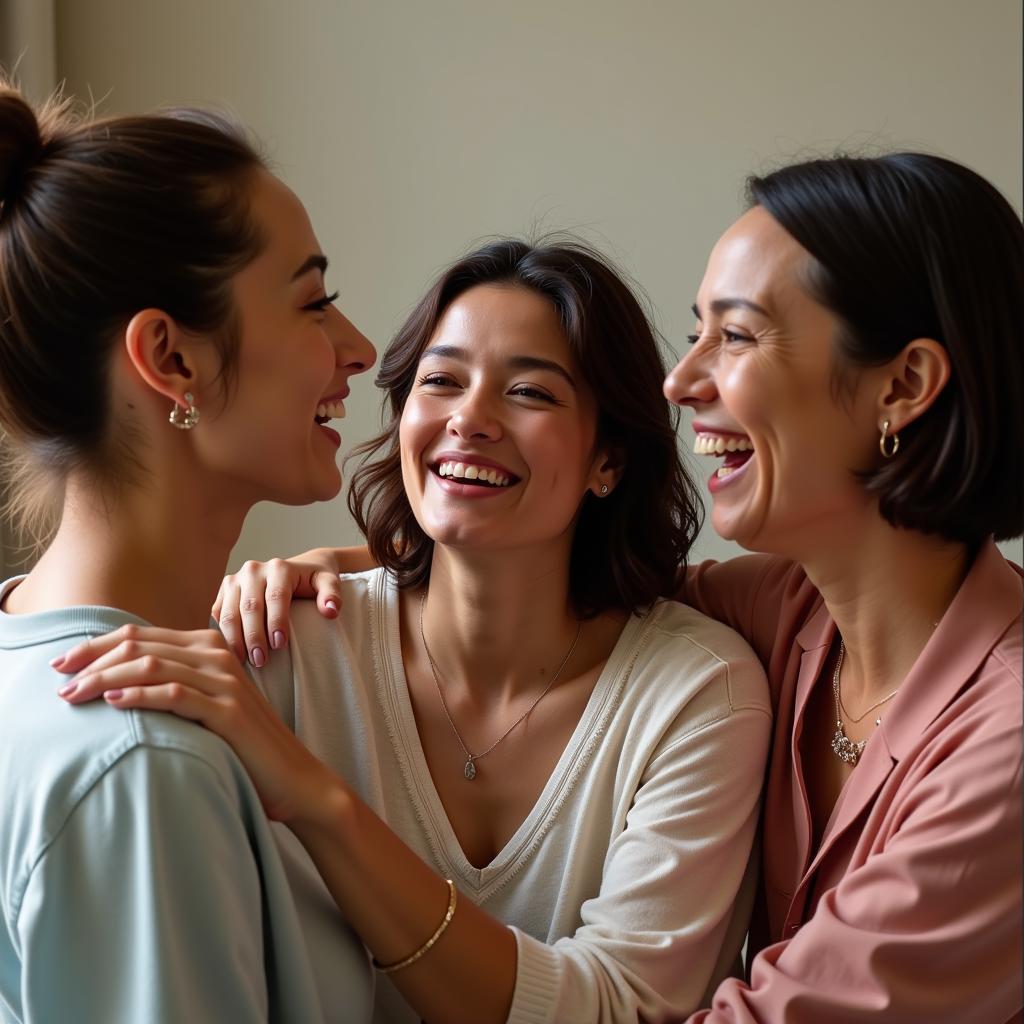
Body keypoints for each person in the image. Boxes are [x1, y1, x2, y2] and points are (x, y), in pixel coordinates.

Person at [201, 152, 1023, 1022]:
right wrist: (350, 568)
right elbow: (545, 564)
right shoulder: (788, 615)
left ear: (903, 386)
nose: (683, 380)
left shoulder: (1001, 753)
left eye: (735, 336)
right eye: (698, 330)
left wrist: (324, 802)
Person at [58, 238, 773, 1023]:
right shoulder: (278, 647)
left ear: (608, 459)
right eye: (441, 382)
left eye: (530, 393)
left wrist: (320, 802)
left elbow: (621, 1008)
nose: (470, 420)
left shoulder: (701, 692)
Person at [0, 80, 376, 1022]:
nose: (358, 347)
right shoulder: (140, 765)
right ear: (170, 359)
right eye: (314, 303)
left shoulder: (26, 668)